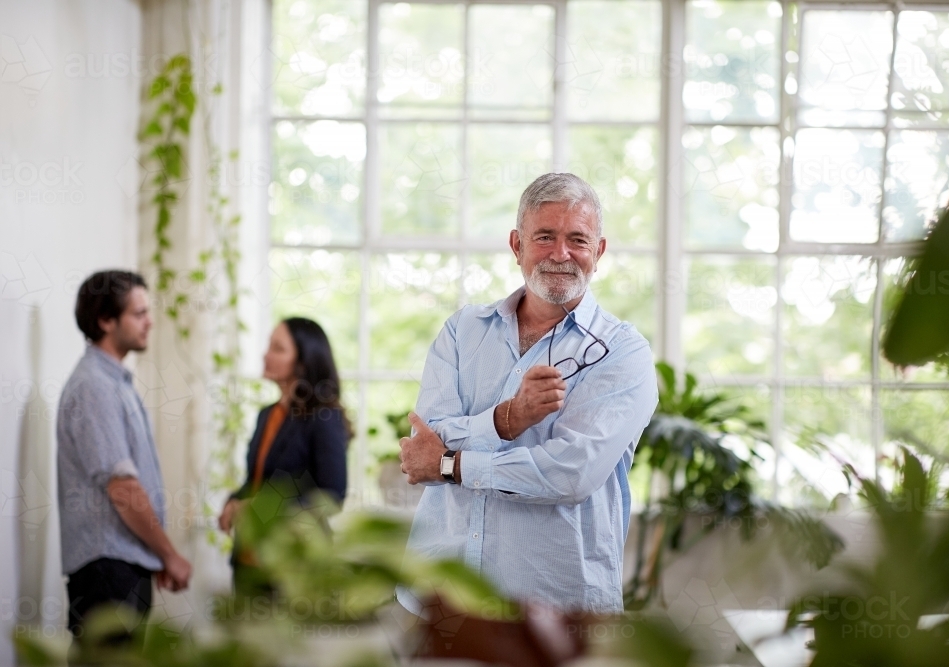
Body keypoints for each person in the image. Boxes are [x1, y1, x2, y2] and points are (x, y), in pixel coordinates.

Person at [397, 173, 658, 614]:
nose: (561, 254)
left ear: (599, 251)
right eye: (545, 237)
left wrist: (450, 464)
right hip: (441, 597)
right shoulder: (463, 331)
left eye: (578, 239)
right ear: (517, 245)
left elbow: (570, 473)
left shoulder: (622, 352)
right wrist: (506, 420)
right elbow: (430, 432)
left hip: (556, 608)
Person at [57, 270, 192, 638]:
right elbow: (122, 489)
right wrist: (168, 554)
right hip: (106, 574)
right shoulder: (95, 388)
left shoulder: (115, 384)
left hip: (123, 566)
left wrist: (151, 554)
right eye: (139, 313)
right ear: (105, 320)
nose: (150, 322)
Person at [218, 317, 351, 591]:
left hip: (294, 563)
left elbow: (332, 495)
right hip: (248, 560)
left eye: (278, 348)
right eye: (269, 346)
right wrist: (234, 500)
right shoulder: (267, 415)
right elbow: (258, 481)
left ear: (302, 362)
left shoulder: (324, 417)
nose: (266, 355)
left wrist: (259, 510)